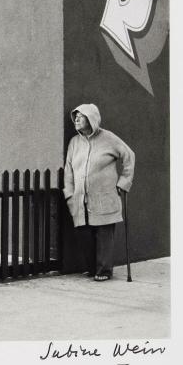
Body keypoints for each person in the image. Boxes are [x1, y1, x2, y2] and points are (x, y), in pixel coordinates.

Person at [63, 103, 135, 281]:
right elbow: (68, 170)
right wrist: (69, 194)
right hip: (80, 198)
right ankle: (92, 268)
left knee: (104, 234)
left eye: (81, 116)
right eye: (75, 117)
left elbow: (129, 156)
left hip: (104, 196)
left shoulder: (108, 138)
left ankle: (104, 270)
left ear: (91, 119)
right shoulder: (74, 142)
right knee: (84, 233)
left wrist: (124, 182)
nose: (76, 119)